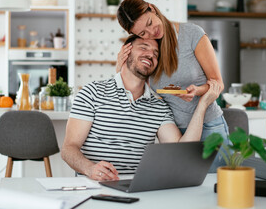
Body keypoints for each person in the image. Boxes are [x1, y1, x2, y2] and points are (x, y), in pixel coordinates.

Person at [61, 35, 221, 181]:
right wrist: (90, 169)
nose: (151, 55)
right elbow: (69, 148)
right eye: (143, 47)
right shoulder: (92, 93)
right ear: (125, 52)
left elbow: (182, 149)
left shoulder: (158, 106)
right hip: (92, 183)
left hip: (136, 187)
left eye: (156, 54)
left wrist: (202, 104)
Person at [116, 0, 229, 172]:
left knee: (217, 188)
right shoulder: (150, 50)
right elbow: (134, 87)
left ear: (152, 9)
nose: (151, 32)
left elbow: (218, 83)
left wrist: (197, 91)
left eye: (150, 23)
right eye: (142, 33)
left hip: (209, 127)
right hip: (173, 133)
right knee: (183, 190)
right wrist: (120, 66)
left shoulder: (192, 34)